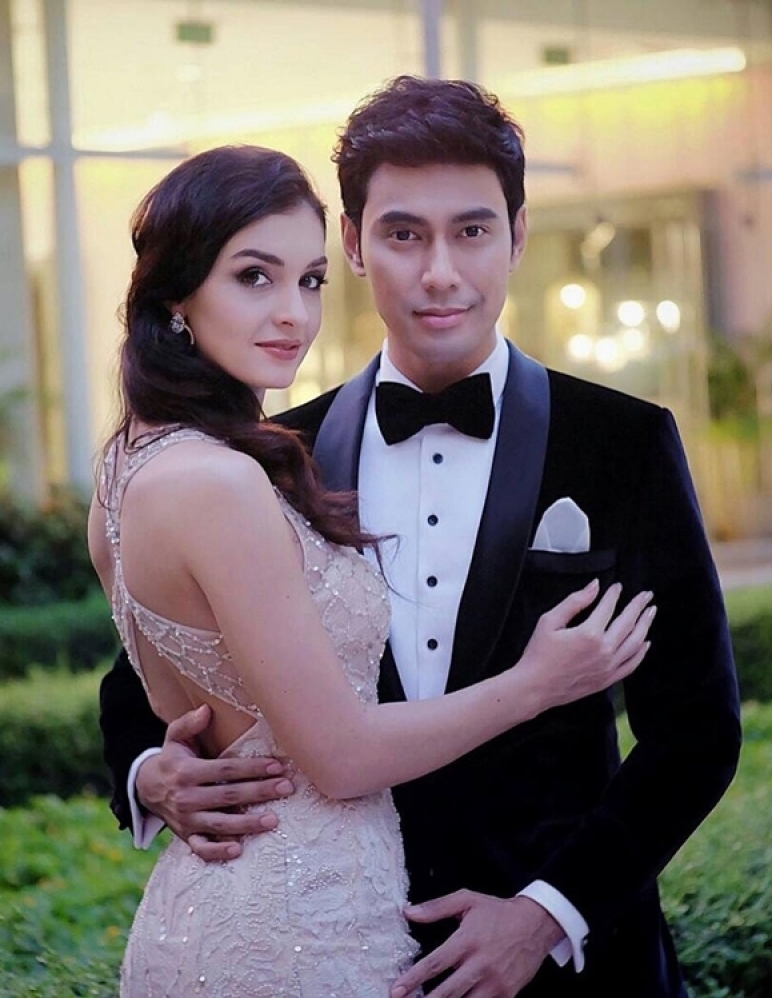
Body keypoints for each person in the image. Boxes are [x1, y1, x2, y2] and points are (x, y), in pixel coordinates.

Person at [98, 77, 741, 998]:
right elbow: (146, 670)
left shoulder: (624, 442)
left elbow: (697, 733)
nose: (440, 272)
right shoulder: (267, 456)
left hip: (577, 965)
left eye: (472, 230)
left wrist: (547, 914)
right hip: (342, 946)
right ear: (355, 245)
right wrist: (149, 773)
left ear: (518, 235)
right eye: (404, 235)